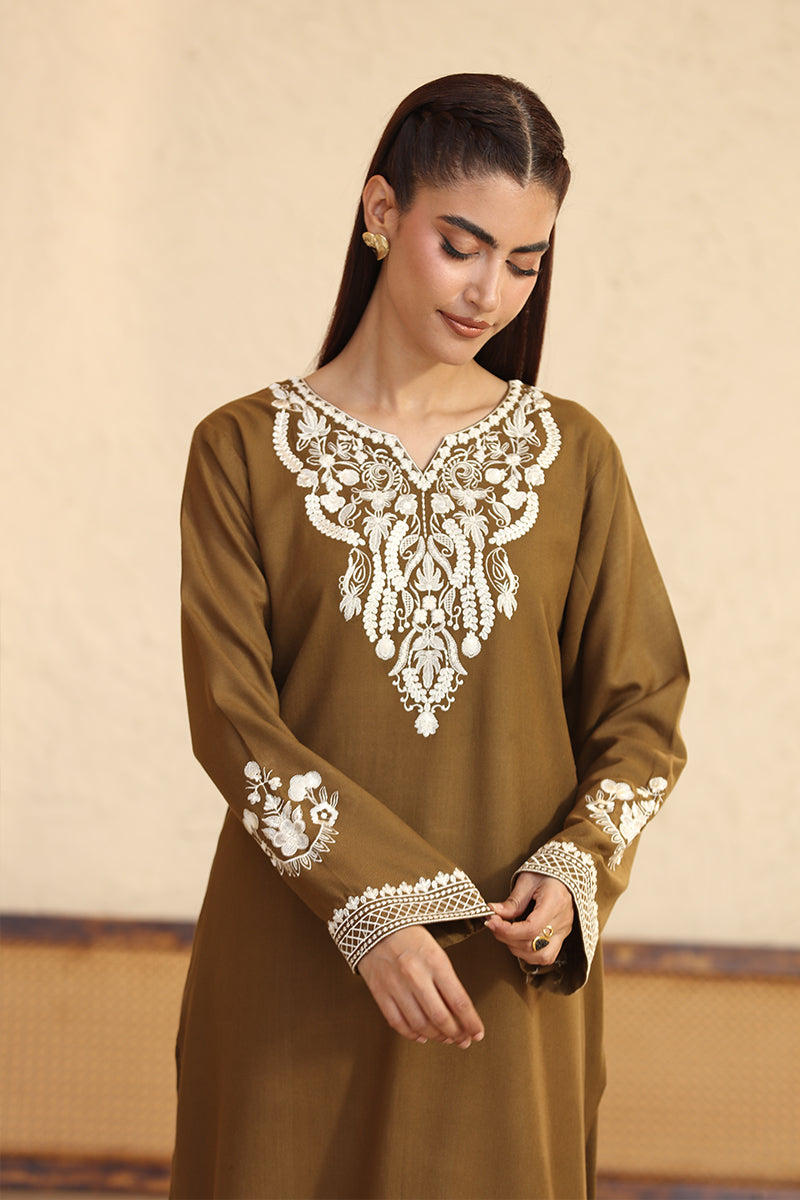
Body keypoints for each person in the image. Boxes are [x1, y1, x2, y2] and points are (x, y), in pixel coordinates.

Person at [170, 73, 688, 1200]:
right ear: (378, 211)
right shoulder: (240, 453)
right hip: (295, 965)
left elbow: (642, 712)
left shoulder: (572, 456)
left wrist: (575, 869)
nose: (489, 290)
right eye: (463, 244)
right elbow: (230, 719)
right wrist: (372, 907)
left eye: (524, 260)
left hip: (496, 985)